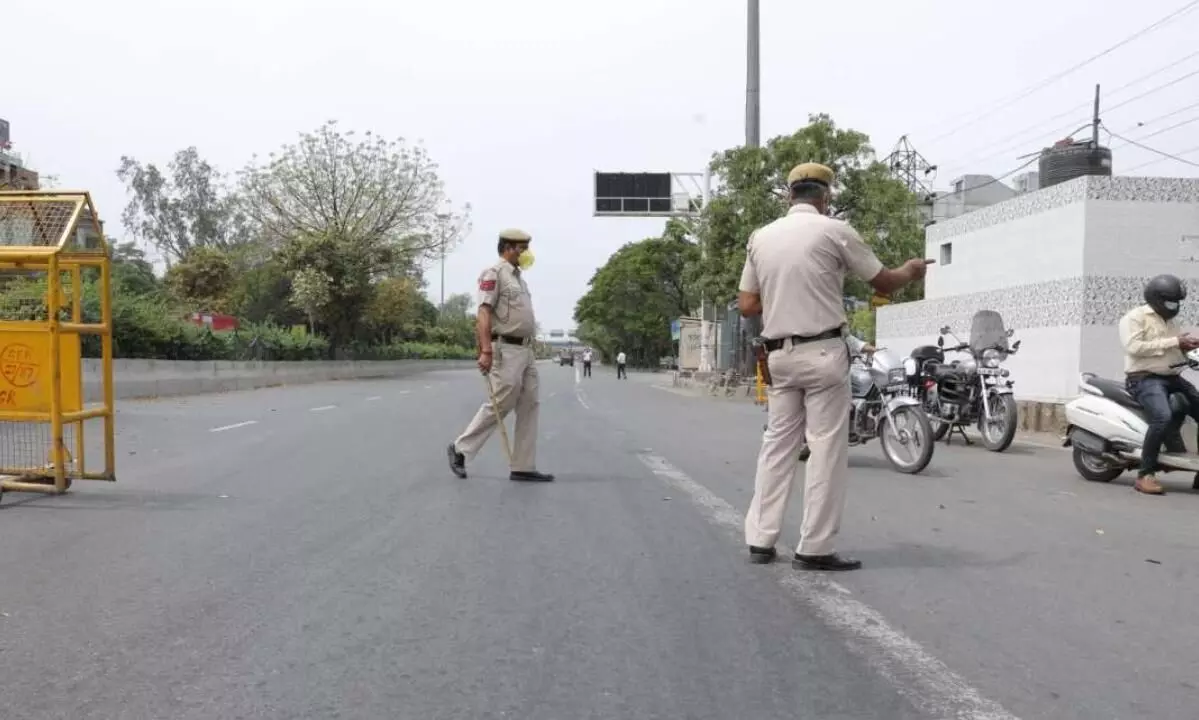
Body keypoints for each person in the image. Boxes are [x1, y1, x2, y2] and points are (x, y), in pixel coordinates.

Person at [737, 162, 930, 572]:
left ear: (788, 195)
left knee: (777, 446)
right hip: (823, 354)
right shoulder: (834, 230)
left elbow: (748, 304)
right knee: (824, 448)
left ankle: (760, 540)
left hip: (779, 357)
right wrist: (911, 271)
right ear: (825, 197)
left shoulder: (760, 238)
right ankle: (814, 548)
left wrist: (784, 295)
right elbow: (884, 281)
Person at [447, 228, 554, 483]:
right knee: (501, 402)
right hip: (505, 349)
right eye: (522, 248)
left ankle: (523, 466)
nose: (527, 253)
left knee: (530, 404)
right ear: (508, 248)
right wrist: (485, 350)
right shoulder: (494, 273)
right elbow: (484, 312)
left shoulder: (519, 279)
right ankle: (460, 449)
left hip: (526, 350)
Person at [1119, 274, 1199, 495]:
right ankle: (1145, 474)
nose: (1175, 307)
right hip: (1144, 378)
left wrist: (1187, 348)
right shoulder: (1135, 318)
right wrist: (1175, 341)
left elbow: (1170, 349)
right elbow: (1133, 347)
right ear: (1156, 299)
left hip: (1171, 377)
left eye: (1177, 302)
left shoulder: (1170, 321)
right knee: (1162, 416)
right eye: (1171, 302)